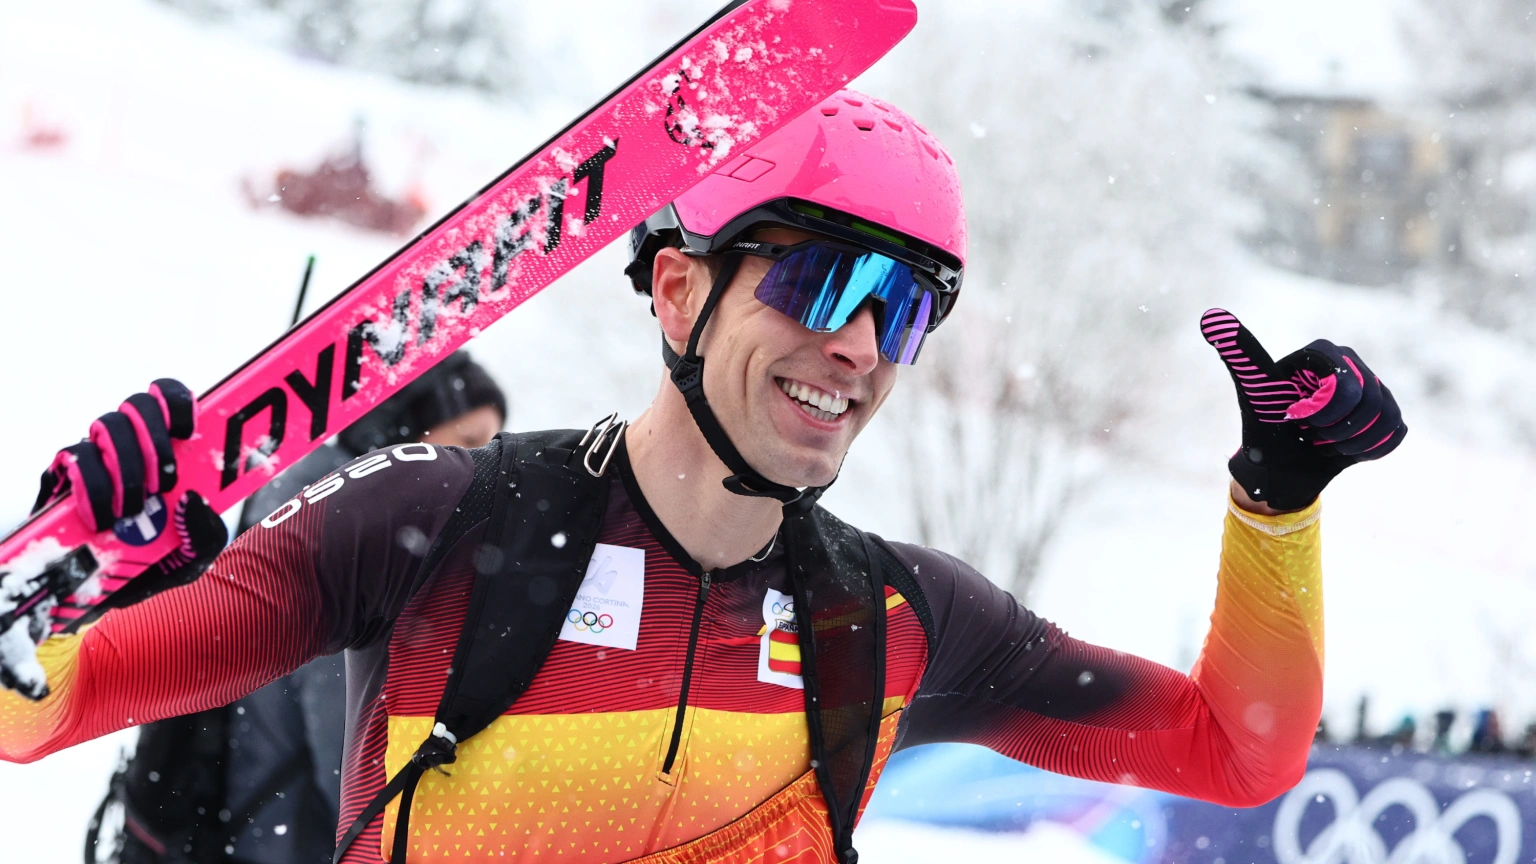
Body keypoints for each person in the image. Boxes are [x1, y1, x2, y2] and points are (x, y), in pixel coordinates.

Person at [0, 90, 1406, 864]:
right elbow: (35, 713)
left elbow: (1237, 753)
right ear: (678, 292)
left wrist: (1275, 505)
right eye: (822, 282)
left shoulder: (893, 623)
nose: (860, 348)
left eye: (906, 310)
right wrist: (75, 583)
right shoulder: (439, 523)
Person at [86, 352, 506, 864]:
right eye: (467, 444)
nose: (482, 469)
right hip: (284, 844)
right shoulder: (350, 559)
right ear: (400, 439)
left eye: (492, 448)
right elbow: (361, 782)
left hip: (238, 832)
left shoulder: (297, 513)